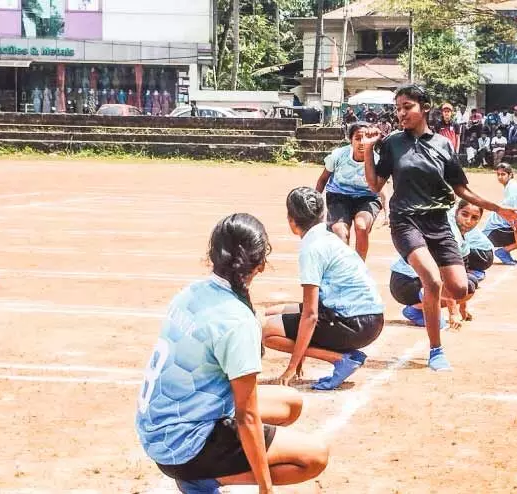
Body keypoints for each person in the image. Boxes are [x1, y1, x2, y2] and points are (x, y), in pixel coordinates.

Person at [136, 214, 328, 494]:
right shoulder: (236, 321)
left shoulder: (193, 291)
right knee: (314, 456)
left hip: (158, 427)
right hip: (183, 446)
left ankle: (205, 470)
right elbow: (247, 416)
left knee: (290, 403)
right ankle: (201, 479)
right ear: (260, 265)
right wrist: (266, 487)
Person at [362, 84, 517, 371]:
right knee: (432, 280)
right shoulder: (392, 143)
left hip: (438, 221)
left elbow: (462, 189)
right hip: (406, 221)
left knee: (460, 289)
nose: (401, 113)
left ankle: (420, 305)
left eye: (407, 106)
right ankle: (436, 350)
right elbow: (375, 185)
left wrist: (498, 208)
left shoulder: (443, 145)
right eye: (398, 108)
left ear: (425, 108)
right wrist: (367, 151)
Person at [263, 188, 384, 390]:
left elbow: (310, 315)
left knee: (265, 331)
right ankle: (343, 356)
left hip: (355, 323)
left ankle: (341, 359)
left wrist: (292, 365)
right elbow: (313, 307)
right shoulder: (327, 238)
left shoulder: (311, 249)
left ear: (291, 221)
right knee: (273, 311)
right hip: (370, 319)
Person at [390, 201, 484, 331]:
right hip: (405, 282)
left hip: (419, 280)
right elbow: (445, 275)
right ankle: (425, 301)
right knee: (464, 285)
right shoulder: (451, 235)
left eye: (474, 218)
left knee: (469, 282)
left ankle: (416, 309)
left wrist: (463, 308)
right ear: (456, 212)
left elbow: (461, 274)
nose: (468, 221)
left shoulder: (461, 237)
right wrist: (453, 312)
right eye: (464, 214)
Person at [315, 122, 382, 260]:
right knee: (340, 232)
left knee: (361, 226)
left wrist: (388, 211)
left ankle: (358, 268)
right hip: (339, 196)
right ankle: (344, 267)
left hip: (367, 197)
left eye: (366, 138)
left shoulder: (377, 160)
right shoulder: (338, 155)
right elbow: (322, 179)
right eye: (358, 138)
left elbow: (382, 188)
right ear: (350, 140)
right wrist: (315, 202)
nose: (362, 142)